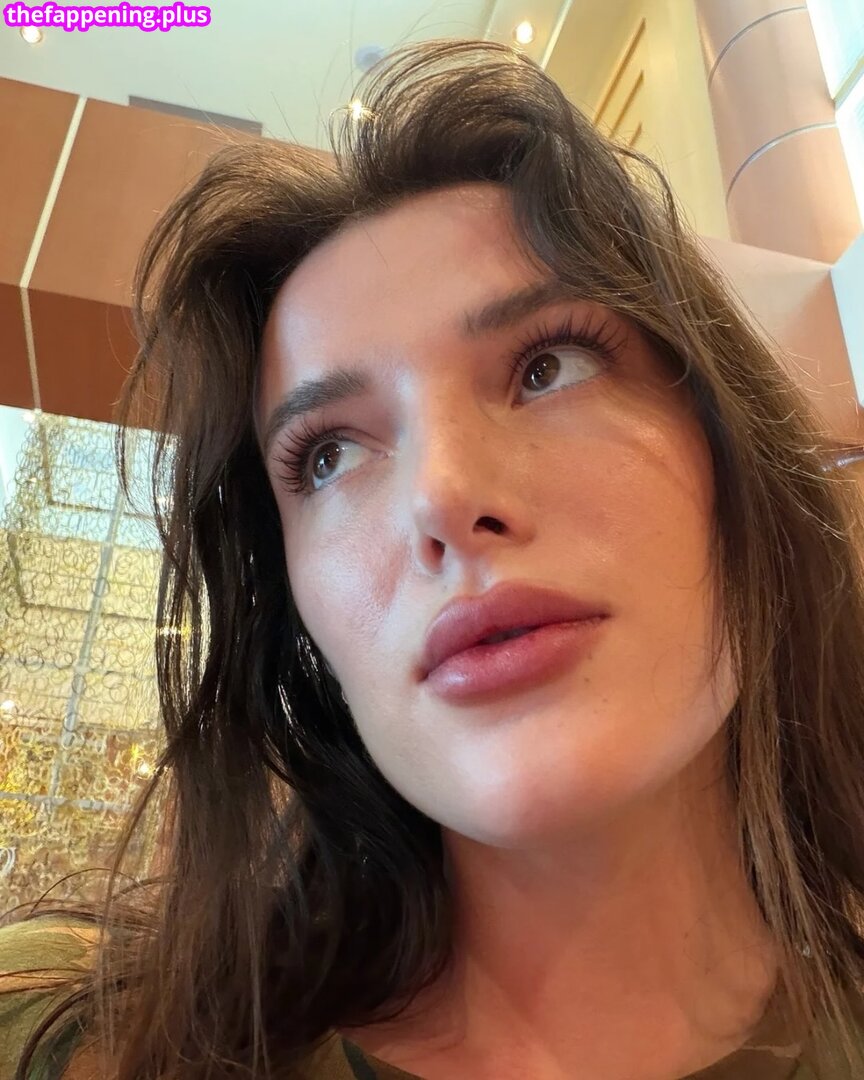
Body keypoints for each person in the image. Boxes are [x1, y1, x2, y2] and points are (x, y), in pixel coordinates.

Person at [3, 37, 864, 1080]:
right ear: (299, 618)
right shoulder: (84, 1046)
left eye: (548, 366)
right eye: (327, 455)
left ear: (733, 458)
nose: (444, 499)